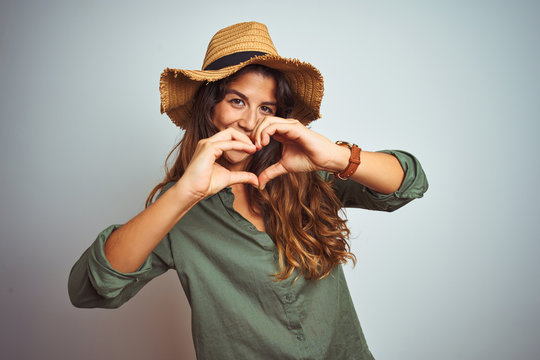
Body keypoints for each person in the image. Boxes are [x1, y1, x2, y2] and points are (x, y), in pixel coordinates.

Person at [68, 22, 428, 359]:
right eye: (237, 101)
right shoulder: (180, 207)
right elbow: (90, 288)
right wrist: (183, 195)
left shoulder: (306, 173)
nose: (250, 121)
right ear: (210, 109)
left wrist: (334, 156)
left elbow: (410, 182)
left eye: (265, 108)